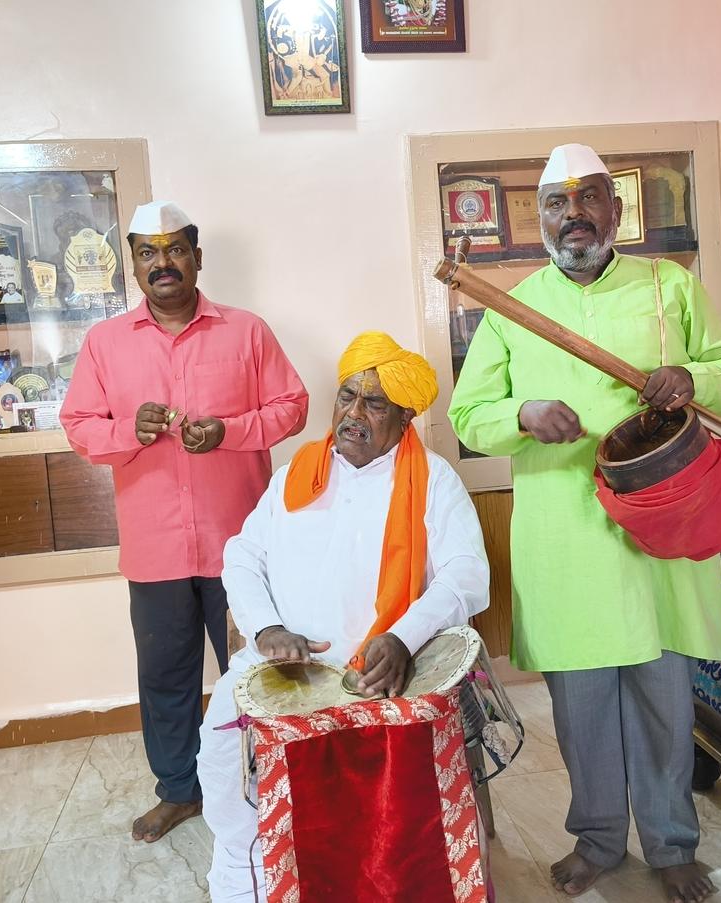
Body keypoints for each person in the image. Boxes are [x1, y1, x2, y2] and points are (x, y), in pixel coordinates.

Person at [448, 144, 721, 903]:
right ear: (540, 217)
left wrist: (695, 377)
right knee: (580, 703)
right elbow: (468, 415)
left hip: (660, 531)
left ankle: (672, 841)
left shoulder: (668, 286)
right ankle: (597, 839)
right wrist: (522, 414)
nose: (573, 215)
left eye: (589, 199)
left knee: (662, 694)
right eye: (558, 202)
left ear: (616, 212)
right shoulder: (513, 306)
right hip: (566, 535)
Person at [198, 331, 489, 902]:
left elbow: (466, 575)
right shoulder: (295, 473)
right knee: (220, 764)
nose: (354, 414)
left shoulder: (433, 480)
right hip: (282, 669)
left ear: (404, 417)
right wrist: (266, 630)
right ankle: (243, 876)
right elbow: (242, 554)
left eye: (374, 403)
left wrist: (403, 638)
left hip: (382, 679)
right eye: (347, 397)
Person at [60, 200, 308, 844]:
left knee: (256, 668)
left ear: (197, 256)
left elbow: (293, 407)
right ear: (134, 265)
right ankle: (179, 791)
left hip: (242, 546)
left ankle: (267, 780)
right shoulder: (104, 343)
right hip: (155, 549)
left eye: (174, 249)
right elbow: (79, 425)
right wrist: (127, 431)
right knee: (166, 675)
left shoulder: (247, 332)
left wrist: (231, 430)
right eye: (147, 252)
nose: (162, 262)